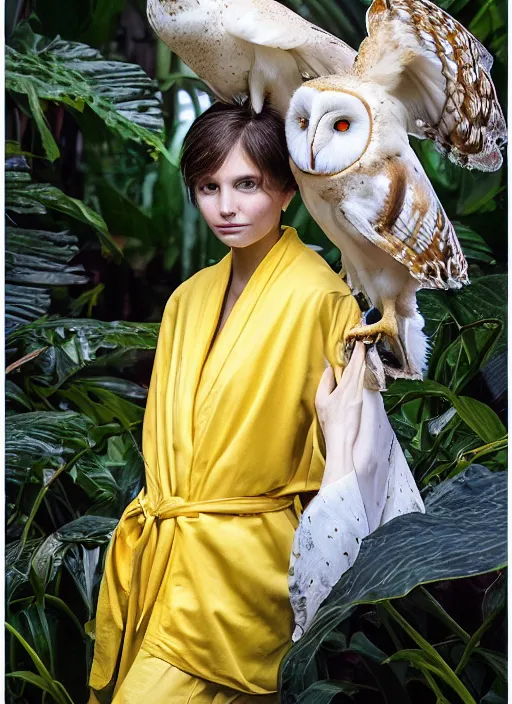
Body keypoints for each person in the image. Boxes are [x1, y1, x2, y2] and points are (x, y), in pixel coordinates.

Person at [88, 100, 361, 704]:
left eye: (247, 185)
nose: (226, 206)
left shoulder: (322, 299)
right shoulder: (187, 299)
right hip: (165, 552)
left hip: (247, 565)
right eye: (209, 187)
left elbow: (344, 450)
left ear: (288, 190)